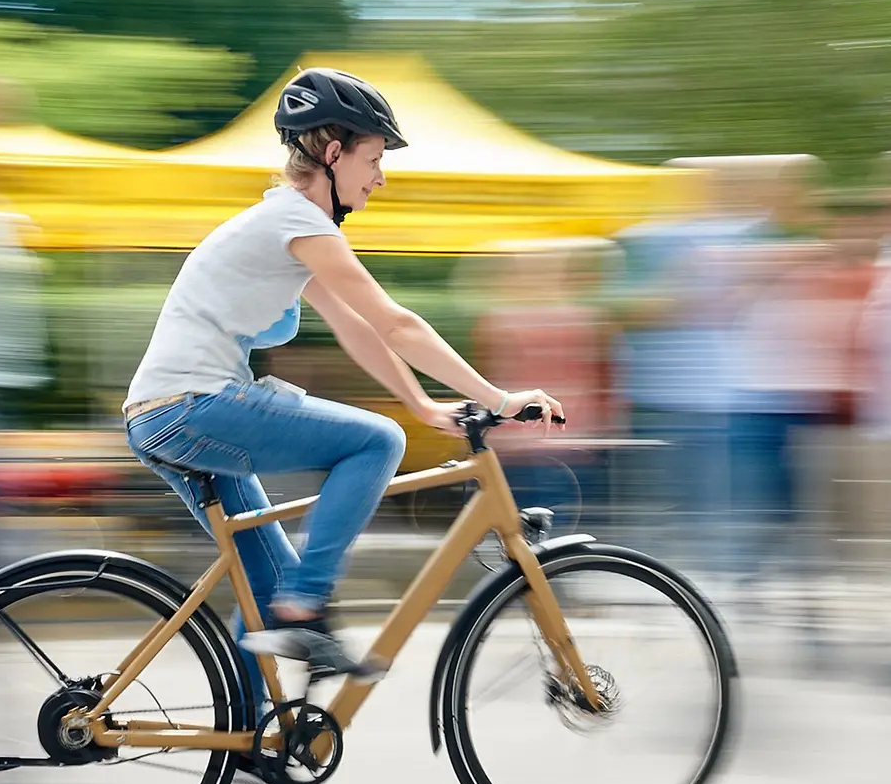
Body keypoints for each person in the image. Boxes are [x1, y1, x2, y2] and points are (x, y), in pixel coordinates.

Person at [123, 68, 563, 723]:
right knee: (373, 443)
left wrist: (422, 407)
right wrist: (495, 398)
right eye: (374, 158)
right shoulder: (296, 222)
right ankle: (307, 607)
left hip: (169, 415)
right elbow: (396, 322)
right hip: (192, 408)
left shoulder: (289, 227)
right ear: (332, 153)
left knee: (264, 590)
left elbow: (361, 330)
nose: (380, 176)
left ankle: (252, 739)